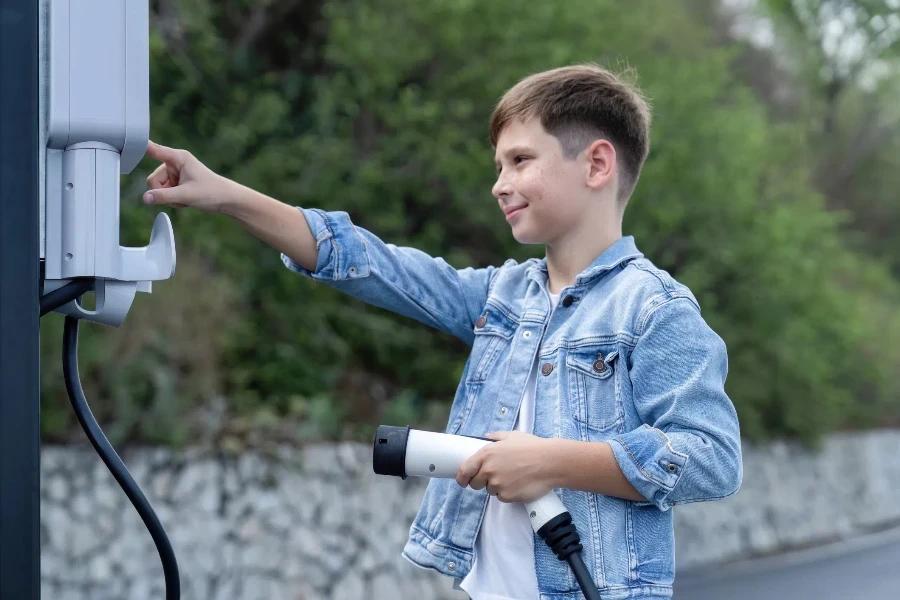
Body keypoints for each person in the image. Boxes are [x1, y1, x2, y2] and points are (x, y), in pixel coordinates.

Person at [143, 63, 742, 600]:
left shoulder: (654, 309)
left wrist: (551, 462)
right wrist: (225, 195)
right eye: (498, 165)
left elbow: (712, 458)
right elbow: (371, 263)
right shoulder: (502, 296)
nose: (499, 184)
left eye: (520, 160)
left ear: (597, 163)